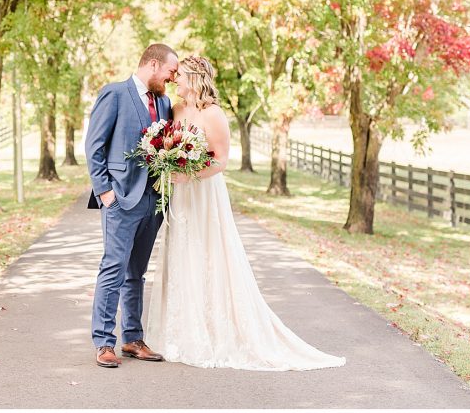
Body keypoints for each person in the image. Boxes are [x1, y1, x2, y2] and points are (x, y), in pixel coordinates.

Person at [143, 55, 346, 371]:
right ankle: (180, 331)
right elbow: (169, 143)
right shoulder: (176, 109)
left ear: (195, 78)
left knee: (208, 253)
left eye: (180, 75)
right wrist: (169, 164)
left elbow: (221, 160)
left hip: (204, 193)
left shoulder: (214, 115)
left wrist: (189, 173)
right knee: (183, 254)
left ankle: (213, 332)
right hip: (181, 195)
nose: (175, 80)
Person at [85, 43, 179, 368]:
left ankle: (132, 339)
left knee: (136, 273)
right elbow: (94, 146)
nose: (173, 78)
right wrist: (105, 192)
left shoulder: (165, 102)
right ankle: (103, 342)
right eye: (170, 71)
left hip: (153, 201)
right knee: (113, 269)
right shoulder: (114, 94)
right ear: (153, 65)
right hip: (120, 199)